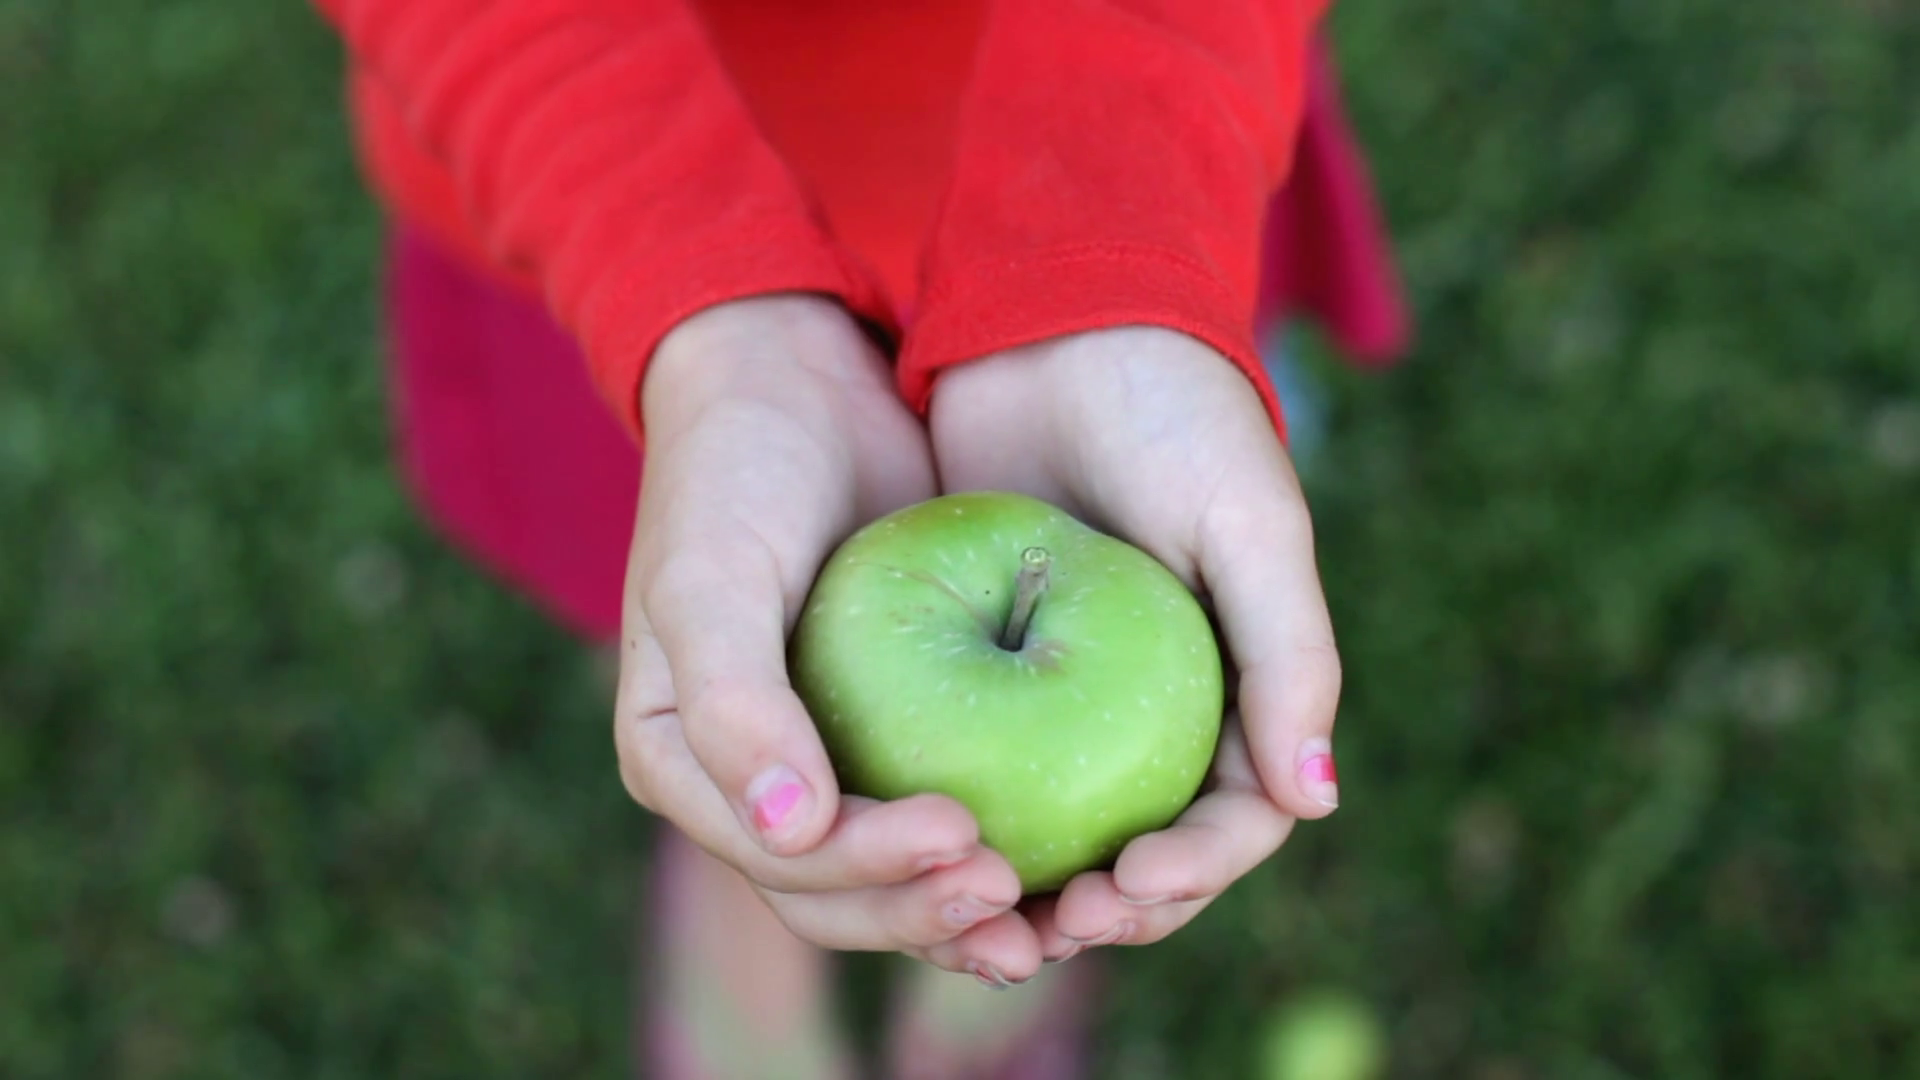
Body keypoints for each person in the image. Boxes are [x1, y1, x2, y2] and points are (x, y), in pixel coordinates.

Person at [311, 0, 1408, 1075]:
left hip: (1120, 131)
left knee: (763, 614)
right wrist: (704, 307)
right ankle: (761, 845)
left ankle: (986, 893)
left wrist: (1100, 246)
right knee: (711, 613)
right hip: (613, 190)